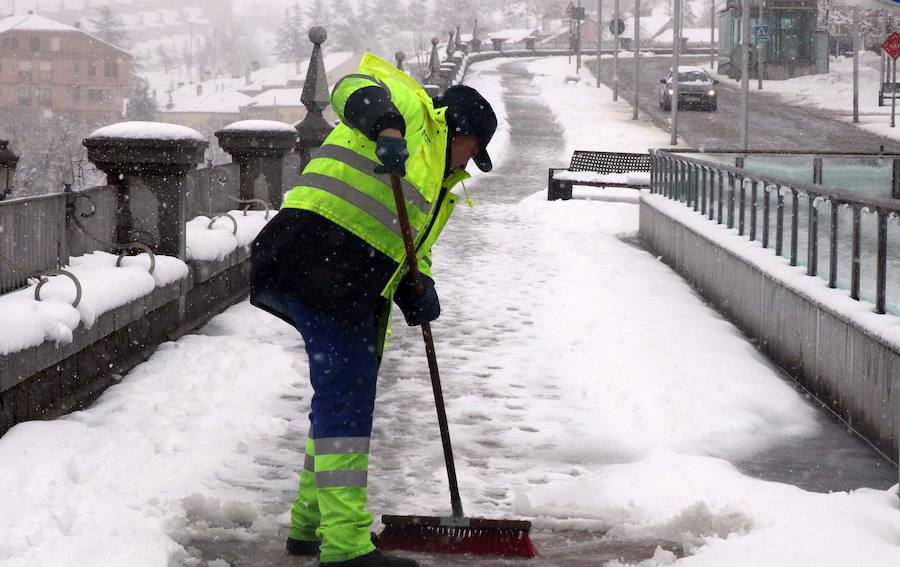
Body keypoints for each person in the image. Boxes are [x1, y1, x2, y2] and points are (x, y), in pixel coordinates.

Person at [249, 52, 497, 567]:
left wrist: (418, 285)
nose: (469, 164)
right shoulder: (412, 110)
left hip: (359, 280)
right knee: (346, 400)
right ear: (461, 129)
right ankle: (345, 549)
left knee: (343, 394)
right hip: (319, 253)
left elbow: (413, 247)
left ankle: (308, 526)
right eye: (473, 150)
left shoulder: (440, 188)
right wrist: (384, 123)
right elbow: (348, 87)